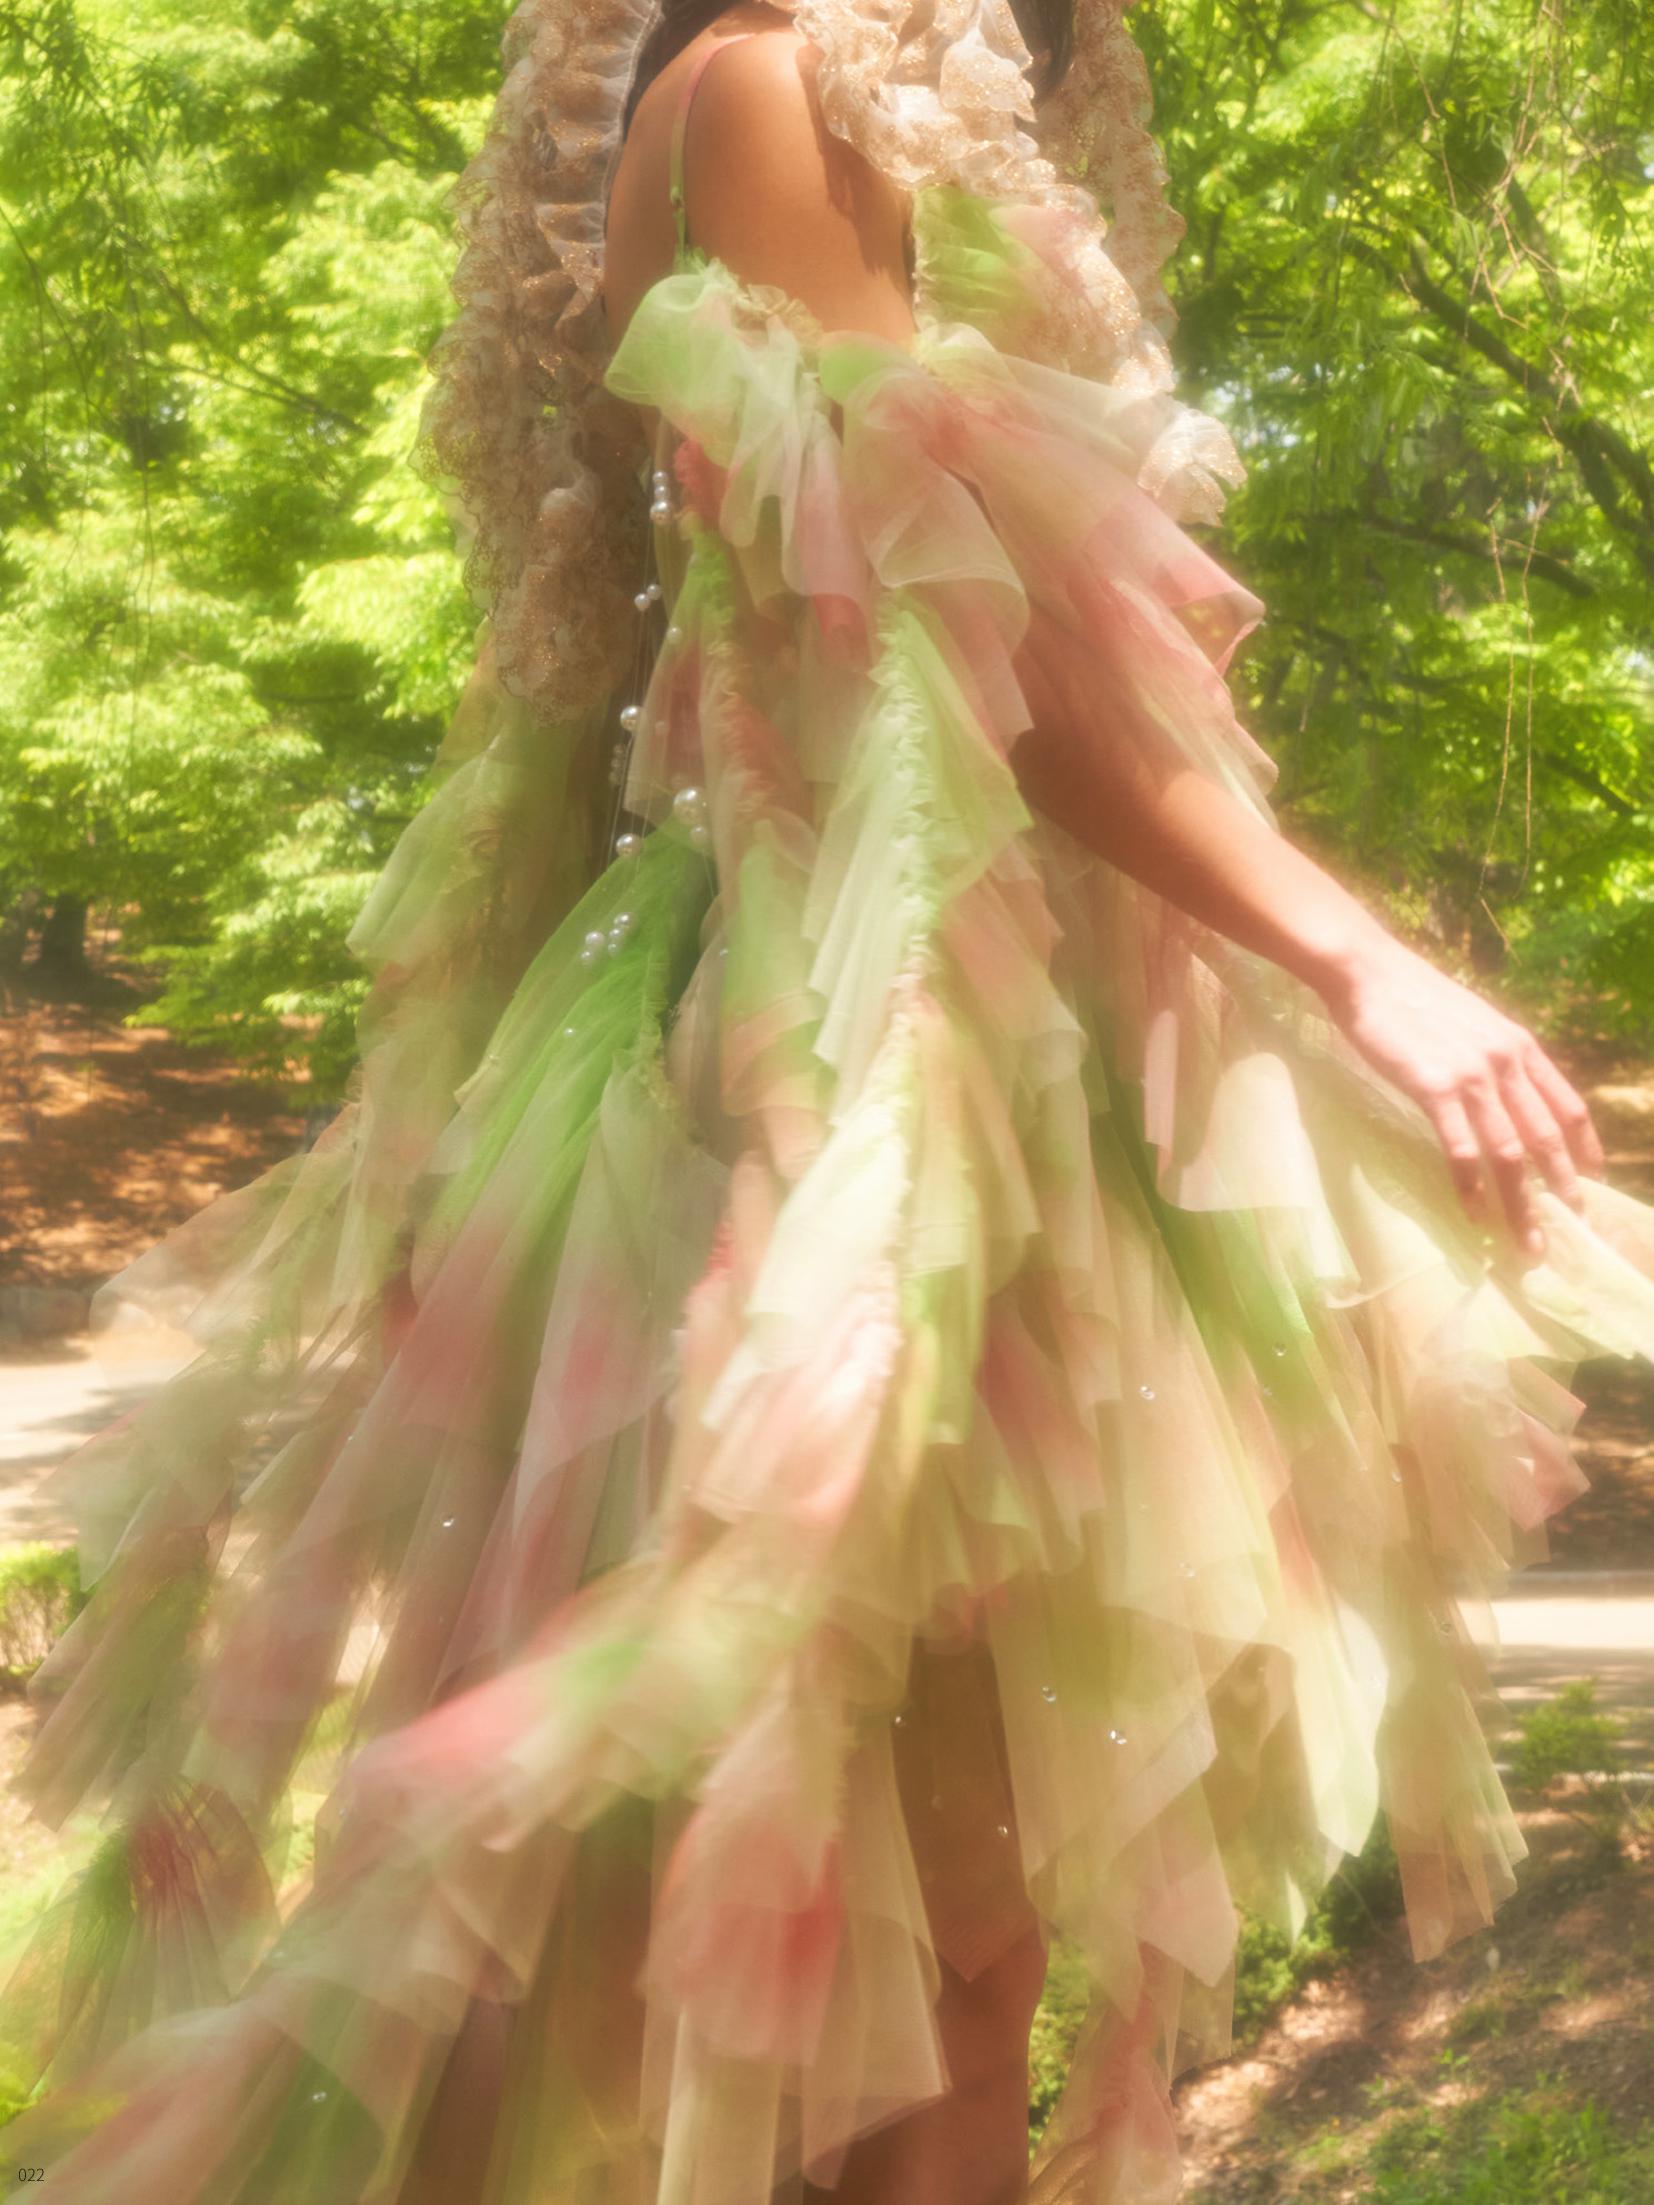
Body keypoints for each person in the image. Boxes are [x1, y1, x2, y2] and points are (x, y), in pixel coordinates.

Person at [3, 0, 1652, 2200]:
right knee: (756, 1953)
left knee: (940, 1953)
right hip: (837, 1078)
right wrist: (1359, 960)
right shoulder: (766, 91)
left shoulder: (861, 111)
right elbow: (949, 658)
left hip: (966, 1043)